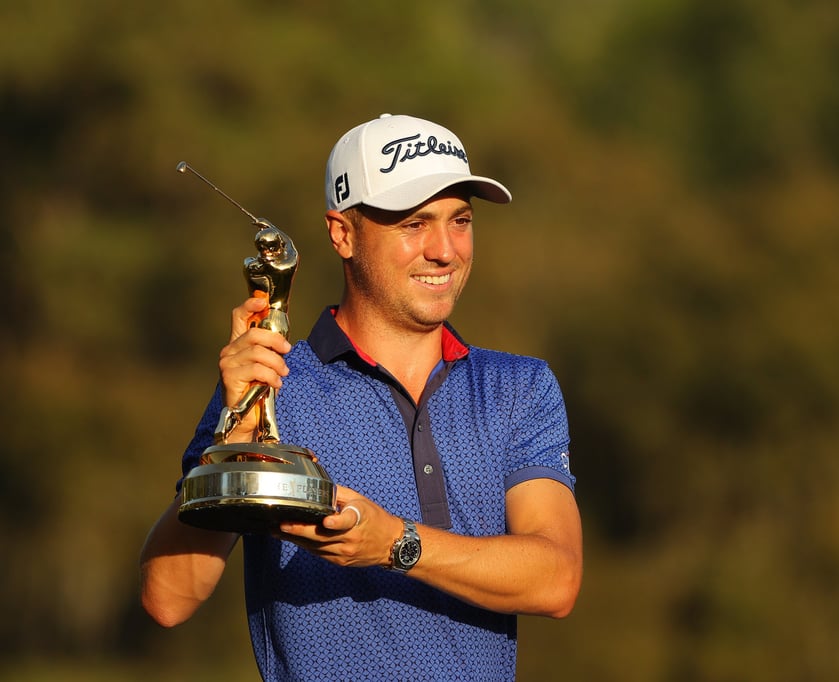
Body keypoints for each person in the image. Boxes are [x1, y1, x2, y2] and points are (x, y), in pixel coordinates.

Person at [140, 113, 583, 681]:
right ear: (342, 234)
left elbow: (557, 578)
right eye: (414, 224)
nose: (445, 250)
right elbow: (169, 598)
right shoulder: (269, 383)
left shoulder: (518, 387)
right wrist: (237, 431)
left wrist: (392, 544)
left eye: (460, 220)